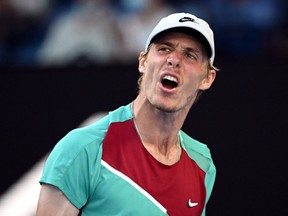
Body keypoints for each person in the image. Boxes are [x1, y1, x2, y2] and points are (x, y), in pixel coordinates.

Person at [36, 12, 218, 216]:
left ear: (207, 78)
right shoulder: (83, 148)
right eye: (164, 48)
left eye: (190, 55)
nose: (174, 60)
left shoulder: (202, 163)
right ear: (143, 62)